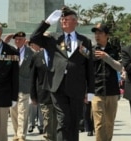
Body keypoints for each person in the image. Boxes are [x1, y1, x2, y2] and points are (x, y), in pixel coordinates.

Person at [30, 6, 95, 141]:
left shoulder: (85, 41)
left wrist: (90, 91)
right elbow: (34, 38)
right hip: (57, 85)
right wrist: (47, 23)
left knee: (74, 122)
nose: (63, 21)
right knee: (63, 119)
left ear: (75, 22)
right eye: (62, 19)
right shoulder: (53, 39)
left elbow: (89, 67)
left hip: (77, 87)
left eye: (67, 19)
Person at [90, 23, 122, 141]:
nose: (97, 36)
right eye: (96, 33)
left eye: (100, 33)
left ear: (107, 35)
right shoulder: (91, 50)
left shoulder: (115, 49)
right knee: (99, 124)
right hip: (96, 91)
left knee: (109, 123)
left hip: (112, 91)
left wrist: (107, 57)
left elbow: (120, 67)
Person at [5, 31, 34, 141]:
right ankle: (17, 133)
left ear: (24, 40)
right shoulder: (11, 51)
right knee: (14, 112)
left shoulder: (30, 52)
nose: (18, 41)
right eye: (16, 39)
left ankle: (21, 135)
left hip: (24, 86)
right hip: (12, 87)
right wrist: (5, 42)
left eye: (20, 39)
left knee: (23, 111)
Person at [29, 40, 57, 140]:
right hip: (44, 95)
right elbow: (32, 78)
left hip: (59, 95)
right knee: (48, 121)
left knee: (58, 124)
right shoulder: (37, 56)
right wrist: (33, 96)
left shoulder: (59, 55)